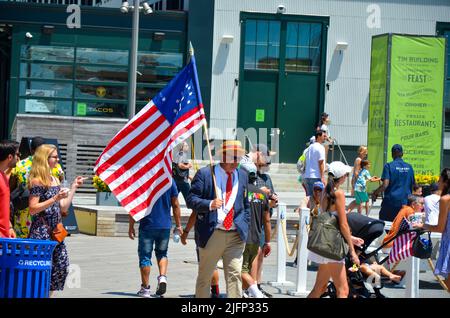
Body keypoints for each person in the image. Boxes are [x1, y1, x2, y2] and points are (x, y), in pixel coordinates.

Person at [187, 140, 250, 298]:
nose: (236, 162)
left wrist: (245, 223)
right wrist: (209, 204)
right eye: (233, 157)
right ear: (223, 156)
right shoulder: (206, 174)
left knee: (235, 275)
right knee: (205, 276)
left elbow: (245, 204)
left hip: (236, 234)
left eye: (239, 157)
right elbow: (191, 200)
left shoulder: (242, 175)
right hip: (212, 233)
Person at [28, 144, 85, 295]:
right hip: (41, 232)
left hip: (56, 231)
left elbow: (64, 207)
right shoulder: (37, 180)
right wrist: (55, 198)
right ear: (45, 159)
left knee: (60, 267)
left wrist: (73, 187)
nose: (57, 159)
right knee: (40, 270)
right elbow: (33, 208)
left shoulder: (54, 179)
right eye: (55, 157)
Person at [307, 161, 360, 298]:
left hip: (324, 243)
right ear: (341, 177)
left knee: (319, 288)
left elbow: (331, 220)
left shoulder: (325, 191)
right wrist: (353, 251)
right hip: (332, 246)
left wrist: (351, 238)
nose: (346, 177)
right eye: (346, 175)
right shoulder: (339, 194)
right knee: (343, 290)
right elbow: (343, 224)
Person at [128, 182, 182, 298]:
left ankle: (145, 288)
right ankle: (162, 277)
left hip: (147, 225)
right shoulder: (170, 180)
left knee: (145, 256)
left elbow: (134, 204)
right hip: (164, 225)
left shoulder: (145, 179)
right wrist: (178, 225)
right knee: (162, 253)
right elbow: (176, 205)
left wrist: (131, 225)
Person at [10, 136, 64, 238]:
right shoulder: (56, 166)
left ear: (31, 149)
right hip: (46, 215)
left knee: (23, 247)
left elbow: (11, 186)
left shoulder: (20, 165)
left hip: (23, 213)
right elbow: (59, 185)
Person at [240, 162, 271, 298]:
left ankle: (255, 291)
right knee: (247, 267)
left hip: (243, 236)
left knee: (236, 269)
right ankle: (246, 293)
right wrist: (268, 241)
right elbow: (267, 220)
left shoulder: (241, 192)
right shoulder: (262, 195)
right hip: (257, 237)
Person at [251, 144, 277, 297]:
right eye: (266, 156)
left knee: (260, 255)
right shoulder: (249, 174)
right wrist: (262, 194)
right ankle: (251, 286)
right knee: (254, 254)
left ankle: (257, 285)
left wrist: (273, 199)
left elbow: (272, 195)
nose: (269, 160)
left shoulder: (266, 177)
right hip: (252, 220)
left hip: (263, 219)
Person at [420, 168, 450, 290]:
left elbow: (440, 228)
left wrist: (423, 226)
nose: (438, 182)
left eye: (440, 179)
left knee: (448, 284)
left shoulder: (445, 199)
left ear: (446, 182)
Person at [180, 210, 221, 298]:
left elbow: (194, 215)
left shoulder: (201, 200)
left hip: (203, 236)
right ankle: (215, 291)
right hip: (218, 234)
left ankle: (203, 292)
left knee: (204, 266)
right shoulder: (219, 200)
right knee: (213, 265)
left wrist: (186, 232)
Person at [372, 144, 415, 222]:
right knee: (403, 226)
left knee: (385, 223)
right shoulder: (409, 167)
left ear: (392, 154)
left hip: (391, 203)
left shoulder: (388, 166)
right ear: (402, 154)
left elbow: (385, 185)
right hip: (405, 202)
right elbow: (413, 185)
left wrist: (375, 192)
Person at [0, 140, 19, 238]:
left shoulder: (3, 176)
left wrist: (10, 227)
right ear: (10, 157)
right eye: (17, 154)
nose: (18, 158)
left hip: (4, 236)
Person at [304, 130, 327, 196]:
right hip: (316, 176)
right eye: (324, 136)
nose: (325, 137)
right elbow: (321, 162)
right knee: (318, 198)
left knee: (309, 198)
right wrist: (322, 177)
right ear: (319, 136)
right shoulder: (320, 147)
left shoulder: (310, 147)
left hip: (308, 175)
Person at [346, 146, 368, 212]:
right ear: (361, 152)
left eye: (366, 152)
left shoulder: (359, 160)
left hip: (357, 181)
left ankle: (347, 211)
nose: (366, 154)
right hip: (358, 182)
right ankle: (350, 212)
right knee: (361, 200)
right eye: (364, 152)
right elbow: (356, 172)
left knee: (359, 201)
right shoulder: (359, 160)